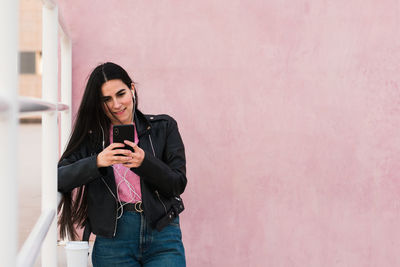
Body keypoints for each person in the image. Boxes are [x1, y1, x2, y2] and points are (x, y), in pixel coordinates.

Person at [58, 62, 187, 266]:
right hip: (113, 240)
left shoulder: (163, 127)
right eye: (106, 99)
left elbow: (177, 183)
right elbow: (59, 177)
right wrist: (98, 161)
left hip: (162, 234)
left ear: (132, 90)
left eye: (121, 94)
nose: (116, 105)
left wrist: (145, 163)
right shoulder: (92, 139)